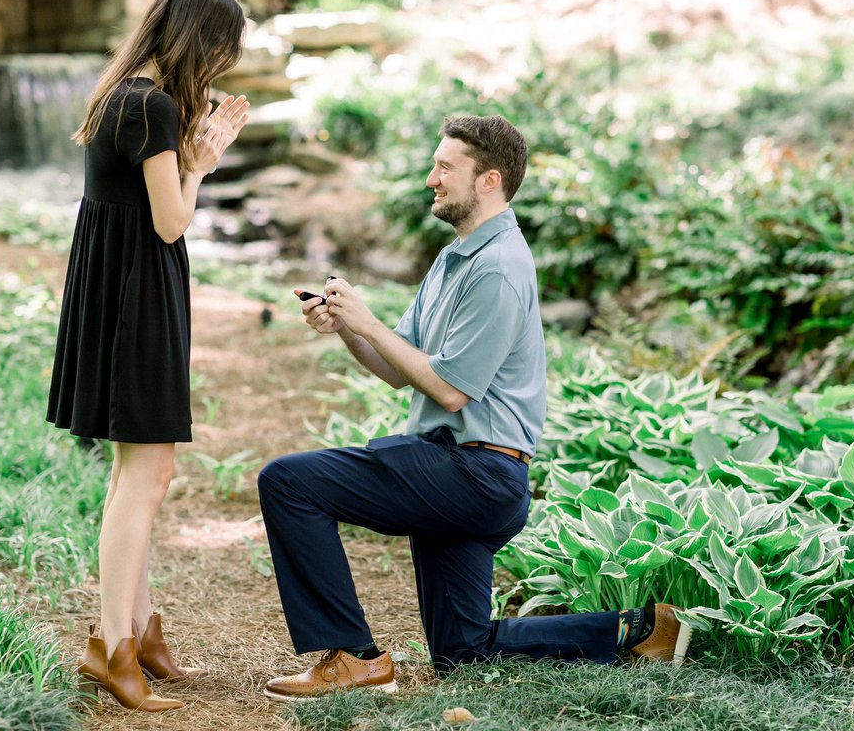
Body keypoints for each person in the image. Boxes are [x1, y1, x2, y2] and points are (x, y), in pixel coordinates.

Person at [257, 115, 690, 701]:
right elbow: (398, 367)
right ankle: (640, 630)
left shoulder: (499, 267)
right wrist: (346, 329)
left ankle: (354, 656)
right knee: (463, 651)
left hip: (476, 473)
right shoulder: (455, 258)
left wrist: (368, 321)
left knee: (289, 482)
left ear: (488, 180)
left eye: (444, 167)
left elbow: (451, 391)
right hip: (456, 473)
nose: (430, 177)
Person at [46, 0, 249, 712]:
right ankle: (113, 646)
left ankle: (138, 631)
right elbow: (170, 220)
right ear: (198, 39)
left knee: (138, 473)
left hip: (116, 294)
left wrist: (190, 149)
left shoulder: (120, 94)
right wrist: (200, 164)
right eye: (220, 51)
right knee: (147, 476)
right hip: (139, 300)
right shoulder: (154, 107)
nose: (220, 67)